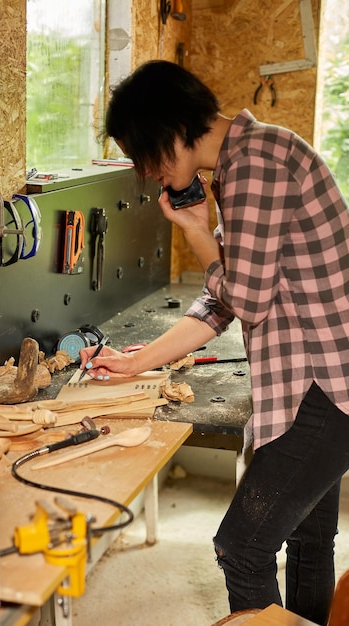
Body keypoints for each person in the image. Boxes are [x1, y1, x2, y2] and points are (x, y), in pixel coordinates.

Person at [80, 60, 349, 625]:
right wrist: (137, 362)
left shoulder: (258, 164)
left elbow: (242, 295)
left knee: (241, 550)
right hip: (327, 382)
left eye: (143, 155)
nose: (148, 172)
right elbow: (219, 300)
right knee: (306, 539)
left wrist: (199, 231)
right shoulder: (246, 164)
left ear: (172, 131)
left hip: (324, 391)